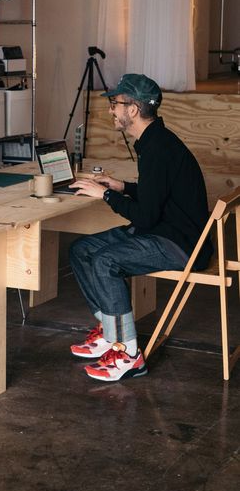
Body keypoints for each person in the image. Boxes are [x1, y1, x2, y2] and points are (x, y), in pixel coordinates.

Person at [69, 73, 212, 382]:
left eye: (115, 104)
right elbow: (157, 195)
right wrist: (122, 186)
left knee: (105, 261)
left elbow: (146, 217)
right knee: (81, 250)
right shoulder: (155, 141)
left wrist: (106, 194)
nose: (111, 110)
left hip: (181, 244)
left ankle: (129, 354)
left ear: (132, 109)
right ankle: (111, 331)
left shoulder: (158, 148)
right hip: (165, 230)